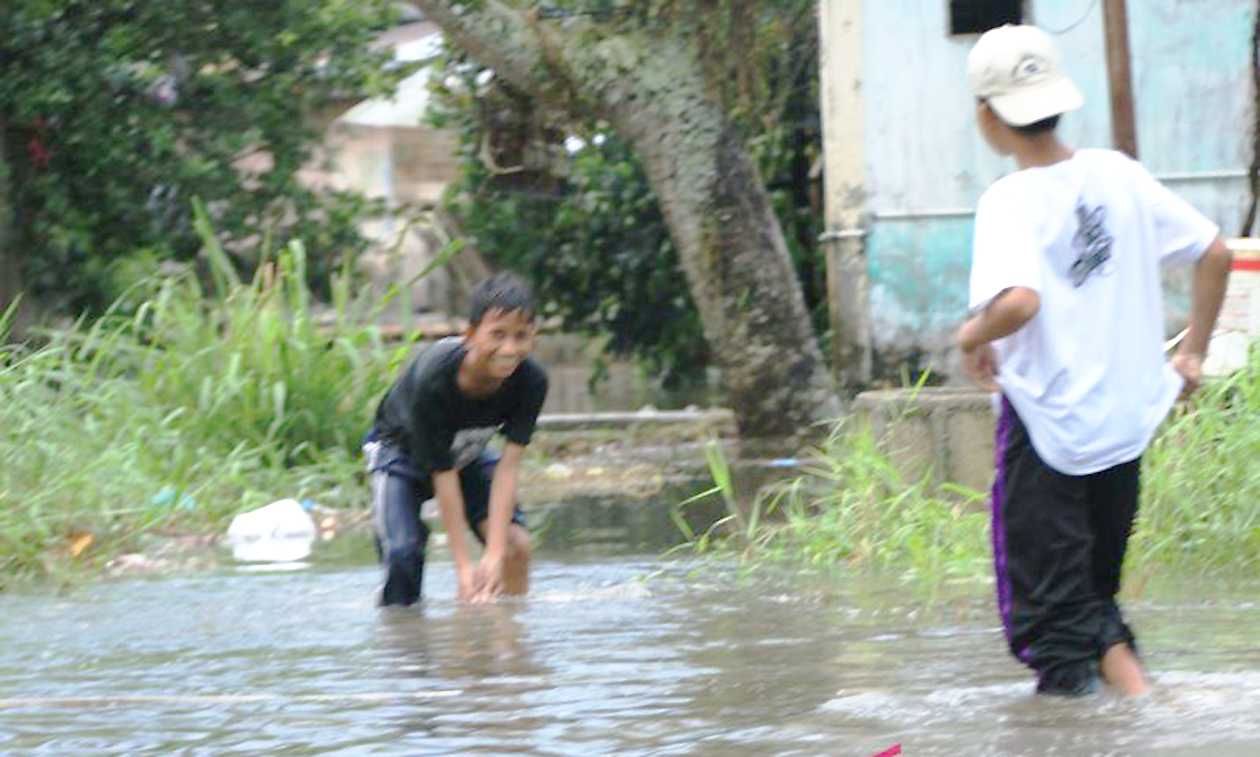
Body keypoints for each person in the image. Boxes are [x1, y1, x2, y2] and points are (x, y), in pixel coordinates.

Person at [958, 24, 1232, 697]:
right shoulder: (1117, 173)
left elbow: (1019, 301)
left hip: (1049, 430)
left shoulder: (1008, 200)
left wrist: (970, 334)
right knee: (1091, 596)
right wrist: (1192, 350)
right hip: (1123, 426)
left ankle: (1115, 721)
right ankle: (1140, 711)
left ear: (988, 118)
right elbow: (1215, 251)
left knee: (1050, 621)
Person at [364, 272, 548, 606]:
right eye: (497, 335)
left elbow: (508, 469)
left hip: (466, 454)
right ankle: (401, 642)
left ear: (533, 336)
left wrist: (493, 556)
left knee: (515, 547)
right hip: (399, 454)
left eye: (521, 336)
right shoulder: (434, 377)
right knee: (404, 554)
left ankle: (510, 643)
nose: (509, 349)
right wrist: (464, 570)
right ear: (470, 335)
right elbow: (443, 478)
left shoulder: (531, 381)